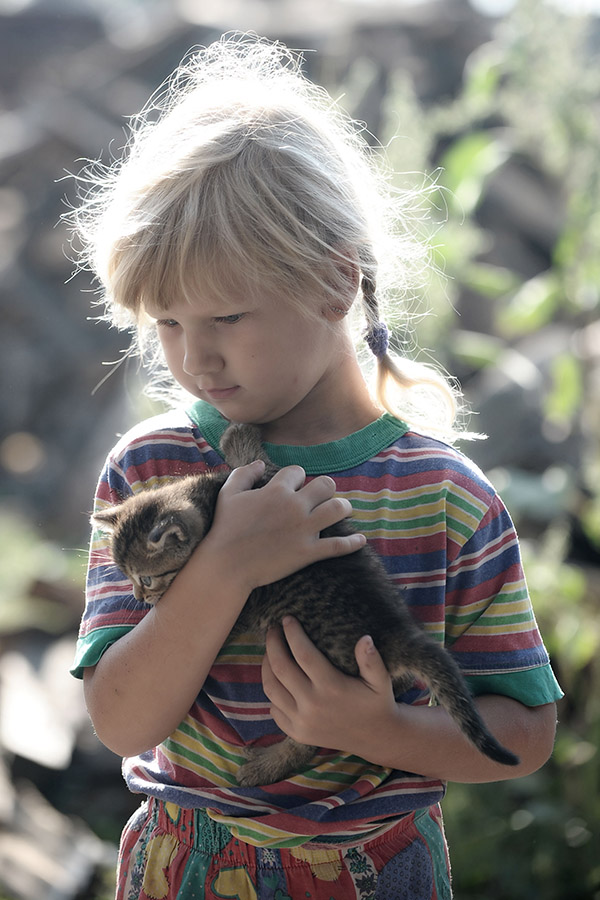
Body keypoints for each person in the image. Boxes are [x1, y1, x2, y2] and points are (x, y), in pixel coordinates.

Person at [69, 34, 562, 900]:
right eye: (168, 325)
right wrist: (223, 567)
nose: (195, 359)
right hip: (187, 862)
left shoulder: (445, 497)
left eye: (226, 315)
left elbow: (523, 729)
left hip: (380, 870)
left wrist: (377, 729)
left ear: (335, 286)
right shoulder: (151, 474)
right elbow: (121, 718)